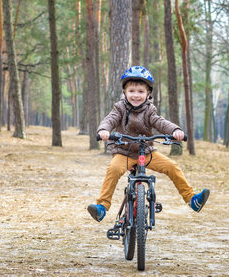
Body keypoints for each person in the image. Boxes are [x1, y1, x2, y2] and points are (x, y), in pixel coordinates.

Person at [87, 66, 210, 222]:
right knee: (114, 169)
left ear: (148, 94)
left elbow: (160, 122)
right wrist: (104, 130)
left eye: (140, 92)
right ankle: (102, 207)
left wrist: (175, 131)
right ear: (125, 92)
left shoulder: (149, 110)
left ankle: (192, 199)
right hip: (125, 152)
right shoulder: (119, 108)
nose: (136, 95)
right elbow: (109, 119)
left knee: (172, 166)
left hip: (147, 152)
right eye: (131, 91)